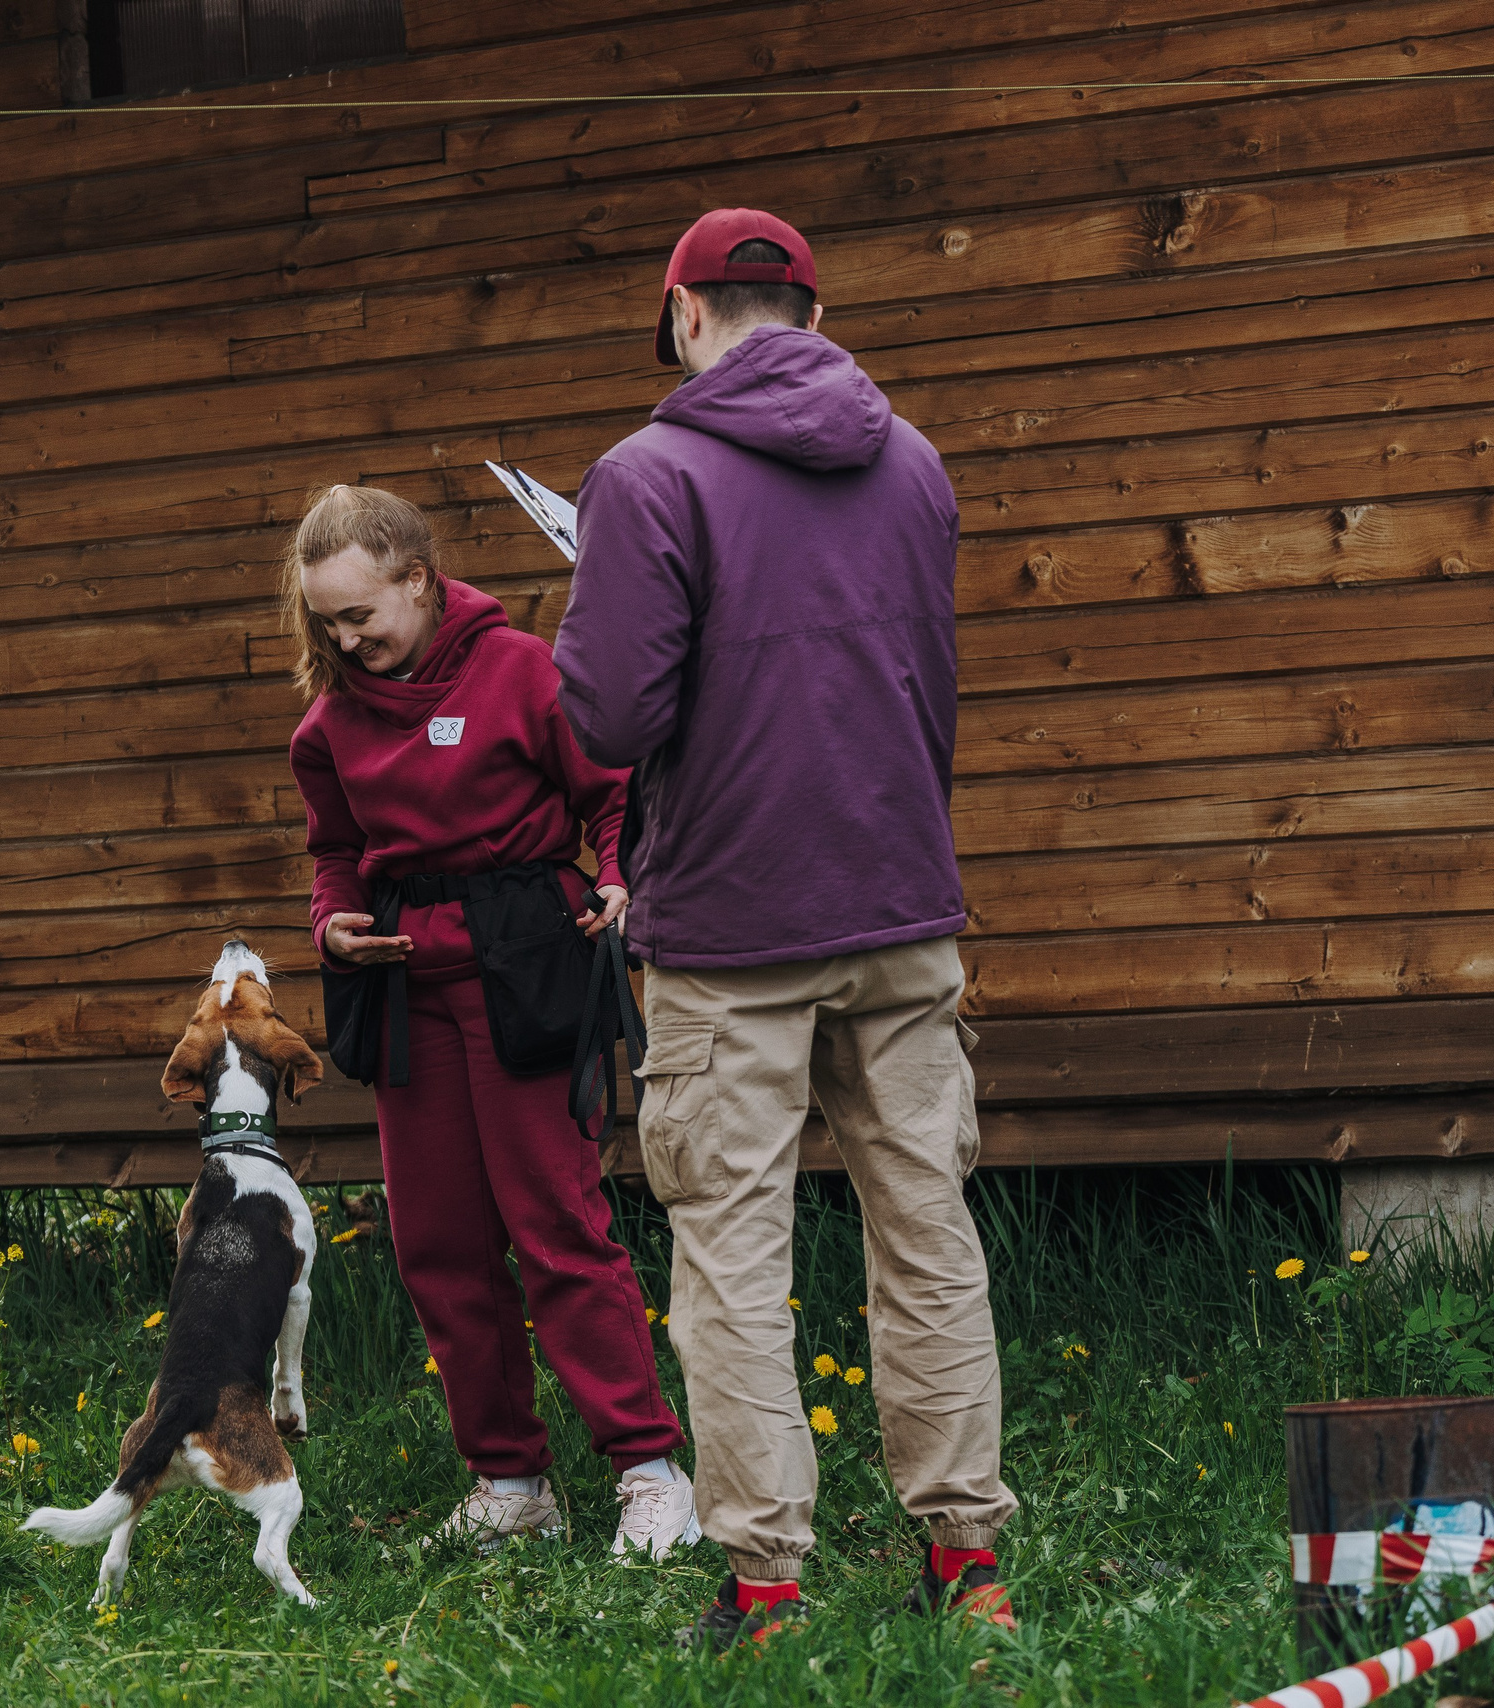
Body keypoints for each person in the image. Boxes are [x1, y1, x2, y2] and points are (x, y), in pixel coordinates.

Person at [552, 208, 1018, 1647]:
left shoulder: (646, 477)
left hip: (731, 925)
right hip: (897, 895)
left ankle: (766, 1589)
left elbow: (610, 718)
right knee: (927, 1234)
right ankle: (967, 1567)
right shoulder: (914, 459)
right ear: (810, 313)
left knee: (736, 1258)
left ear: (685, 312)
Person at [283, 483, 703, 1560]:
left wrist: (619, 880)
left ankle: (650, 1473)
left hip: (527, 957)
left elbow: (611, 795)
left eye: (360, 614)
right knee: (437, 1244)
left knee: (557, 1226)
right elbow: (334, 853)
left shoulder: (520, 667)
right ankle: (509, 1479)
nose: (345, 637)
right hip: (403, 980)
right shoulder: (329, 722)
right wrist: (332, 926)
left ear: (417, 581)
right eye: (326, 621)